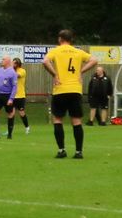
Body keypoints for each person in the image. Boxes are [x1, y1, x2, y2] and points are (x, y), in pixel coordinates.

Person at [42, 30, 99, 158]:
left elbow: (45, 62)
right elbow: (94, 60)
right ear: (71, 39)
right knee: (76, 121)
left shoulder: (56, 51)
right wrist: (81, 71)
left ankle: (61, 150)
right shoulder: (78, 52)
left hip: (60, 89)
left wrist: (54, 74)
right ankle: (79, 152)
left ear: (60, 39)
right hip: (75, 89)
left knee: (57, 119)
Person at [12, 59, 31, 135]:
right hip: (12, 96)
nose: (12, 64)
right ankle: (10, 130)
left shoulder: (22, 71)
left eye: (14, 63)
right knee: (11, 113)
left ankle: (27, 127)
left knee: (21, 113)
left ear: (17, 64)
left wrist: (9, 72)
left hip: (20, 96)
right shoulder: (12, 71)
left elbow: (17, 75)